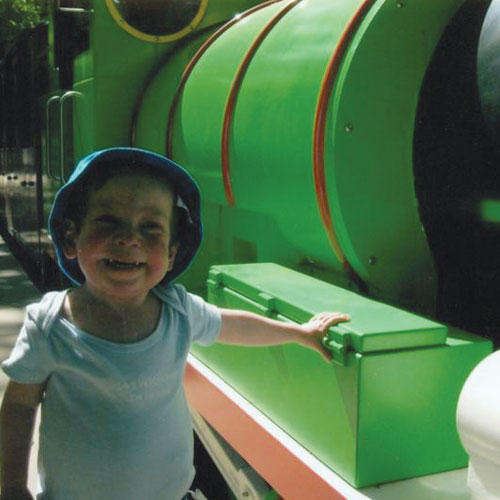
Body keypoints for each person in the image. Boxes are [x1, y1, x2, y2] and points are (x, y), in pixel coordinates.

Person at [0, 148, 350, 500]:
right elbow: (19, 405)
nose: (129, 238)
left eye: (150, 227)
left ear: (171, 253)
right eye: (108, 221)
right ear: (70, 238)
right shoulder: (49, 326)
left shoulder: (177, 310)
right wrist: (13, 486)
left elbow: (235, 326)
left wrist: (300, 333)